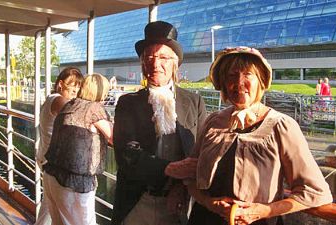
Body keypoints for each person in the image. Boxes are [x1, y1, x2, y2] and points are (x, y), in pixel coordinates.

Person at [179, 47, 333, 225]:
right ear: (223, 83)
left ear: (261, 81)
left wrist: (265, 211)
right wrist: (209, 203)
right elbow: (191, 176)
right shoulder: (213, 122)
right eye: (231, 75)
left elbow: (316, 191)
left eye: (247, 74)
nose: (239, 82)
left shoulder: (281, 126)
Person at [111, 21, 207, 225]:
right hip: (136, 203)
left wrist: (181, 187)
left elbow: (202, 152)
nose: (155, 64)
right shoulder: (127, 103)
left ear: (175, 63)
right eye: (149, 57)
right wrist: (170, 169)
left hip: (178, 204)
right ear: (142, 63)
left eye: (163, 57)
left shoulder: (194, 102)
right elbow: (126, 153)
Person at [43, 73, 113, 225]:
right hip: (73, 182)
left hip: (52, 175)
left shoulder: (69, 104)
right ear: (100, 92)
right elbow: (113, 137)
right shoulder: (94, 108)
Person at [35, 67, 84, 225]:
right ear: (61, 84)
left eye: (78, 86)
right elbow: (76, 116)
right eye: (72, 85)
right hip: (52, 161)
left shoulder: (51, 98)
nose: (75, 89)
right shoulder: (58, 99)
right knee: (58, 209)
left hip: (47, 157)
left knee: (49, 207)